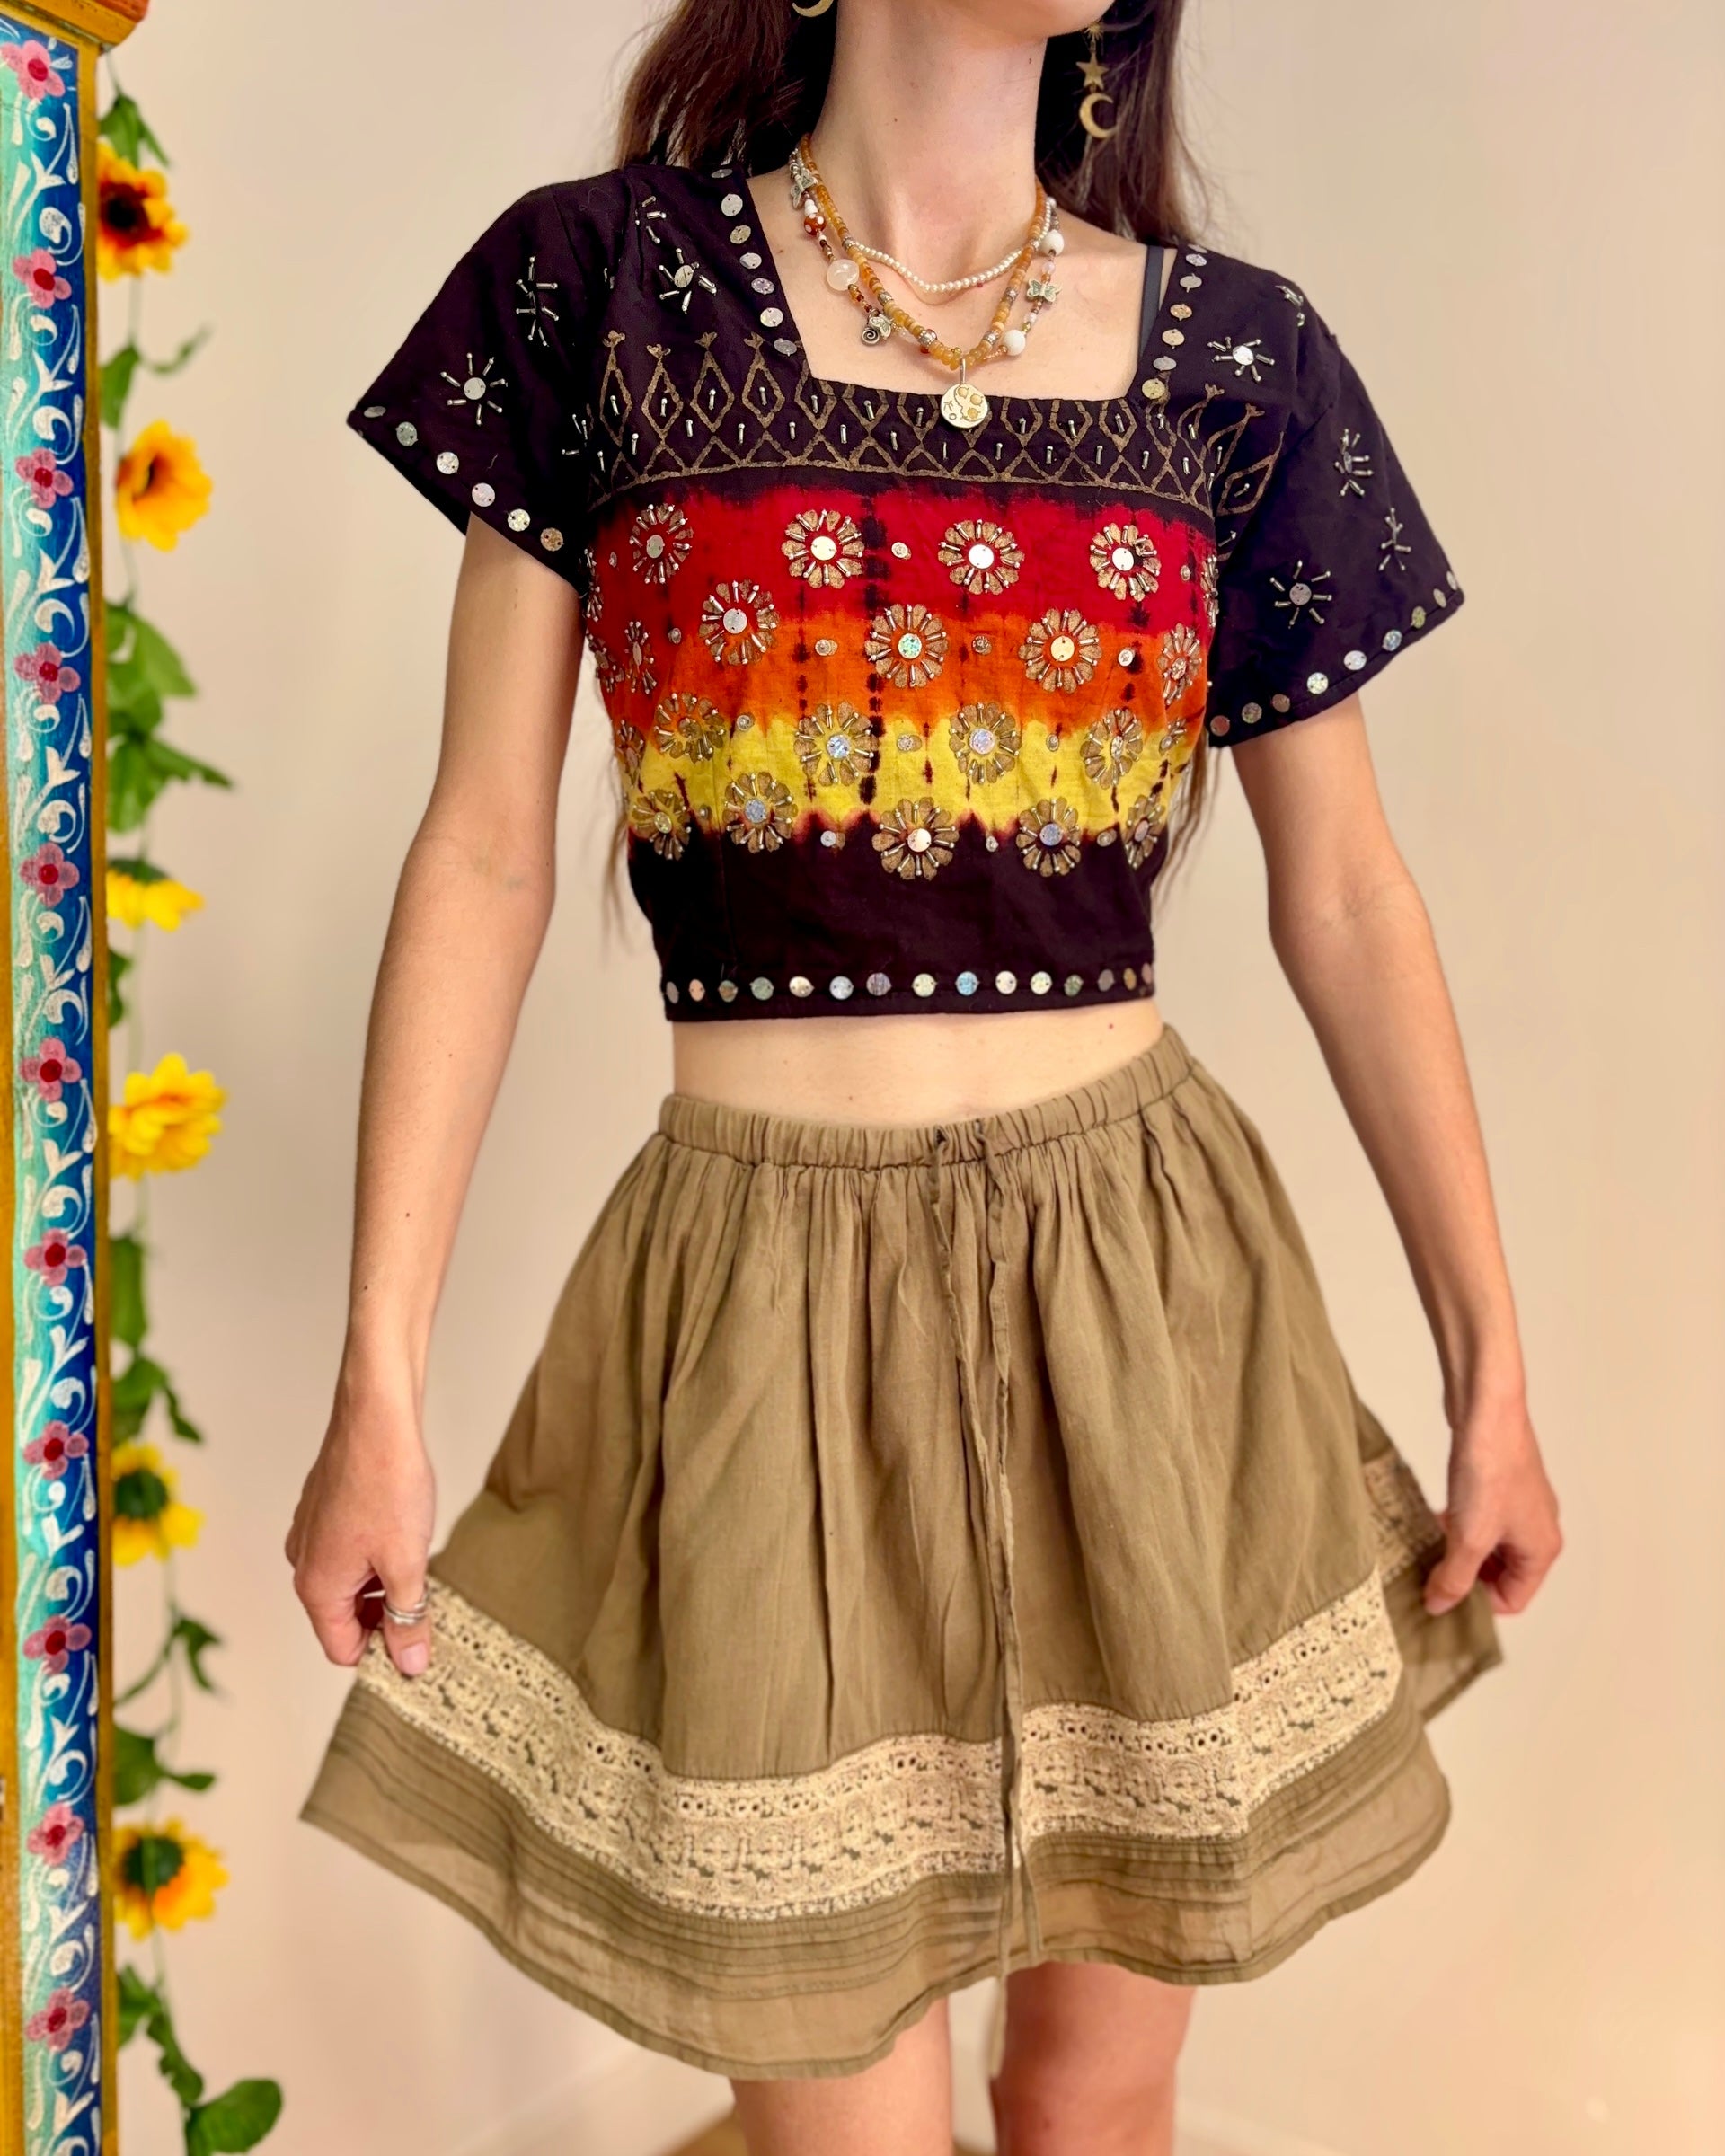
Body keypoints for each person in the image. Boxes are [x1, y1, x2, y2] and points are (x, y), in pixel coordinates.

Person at [288, 3, 1561, 2150]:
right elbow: (486, 854)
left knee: (1090, 2102)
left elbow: (1347, 894)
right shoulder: (594, 289)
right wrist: (379, 1385)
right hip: (759, 1306)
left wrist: (1491, 1367)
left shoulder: (1238, 358)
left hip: (1143, 1296)